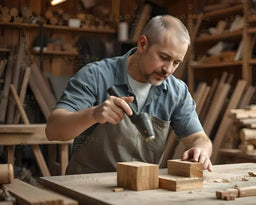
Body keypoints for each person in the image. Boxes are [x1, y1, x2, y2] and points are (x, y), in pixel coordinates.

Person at [45, 15, 213, 175]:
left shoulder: (176, 91)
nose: (168, 70)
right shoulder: (95, 76)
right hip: (87, 189)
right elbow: (53, 131)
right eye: (163, 57)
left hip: (140, 189)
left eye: (176, 62)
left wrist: (201, 150)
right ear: (142, 44)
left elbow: (199, 137)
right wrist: (93, 114)